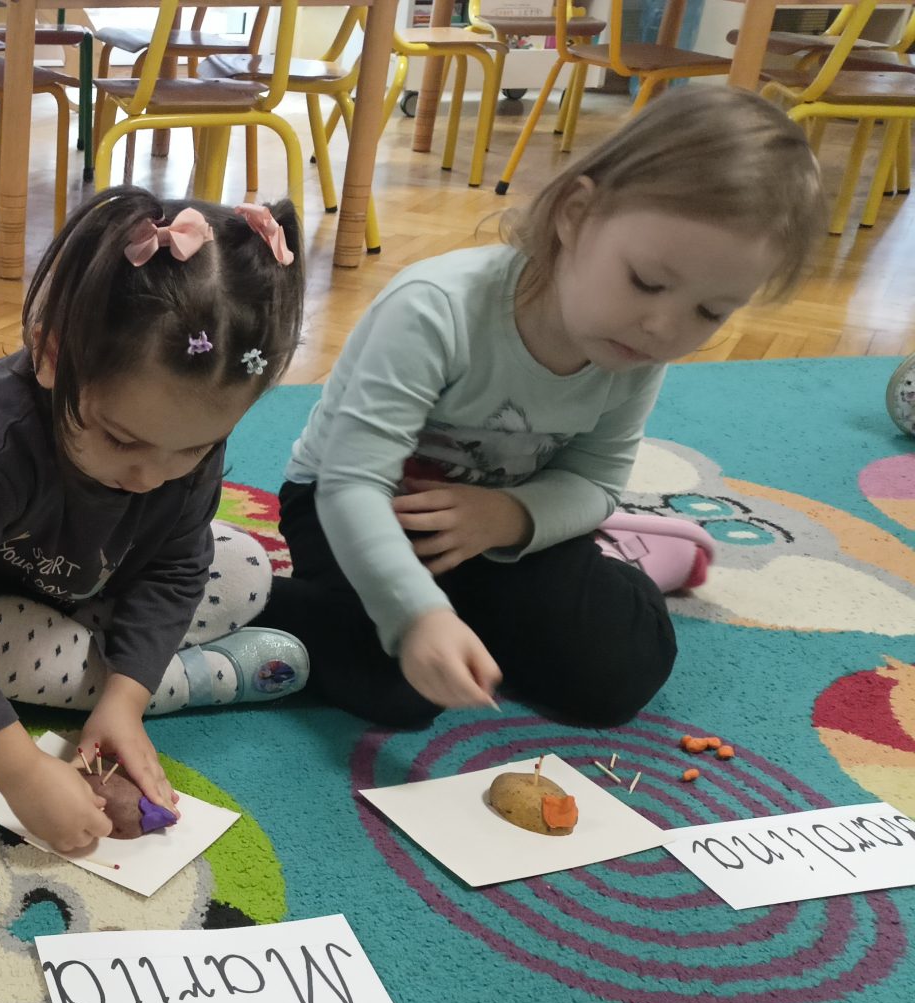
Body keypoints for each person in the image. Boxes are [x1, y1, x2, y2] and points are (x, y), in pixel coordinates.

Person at [253, 86, 827, 729]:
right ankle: (236, 593)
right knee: (396, 687)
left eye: (710, 312)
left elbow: (596, 482)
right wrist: (417, 615)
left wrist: (512, 517)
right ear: (575, 215)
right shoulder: (436, 309)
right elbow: (351, 483)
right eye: (646, 282)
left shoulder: (636, 347)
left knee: (617, 674)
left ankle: (623, 567)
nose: (664, 327)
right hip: (356, 503)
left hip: (503, 522)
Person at [0, 186, 310, 853]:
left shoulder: (176, 438)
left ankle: (126, 677)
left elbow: (178, 567)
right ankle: (198, 678)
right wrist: (21, 771)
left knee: (247, 565)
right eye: (122, 440)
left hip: (77, 582)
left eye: (194, 450)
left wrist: (125, 701)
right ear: (51, 355)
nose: (151, 476)